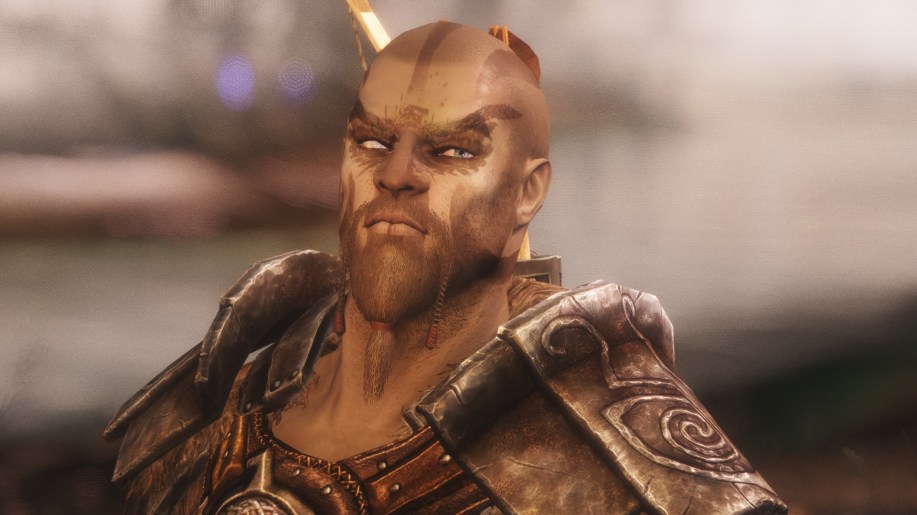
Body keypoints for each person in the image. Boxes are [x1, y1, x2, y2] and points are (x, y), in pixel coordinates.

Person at [105, 21, 786, 514]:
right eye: (372, 141)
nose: (397, 174)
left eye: (454, 151)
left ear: (528, 192)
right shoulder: (237, 389)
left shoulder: (606, 450)